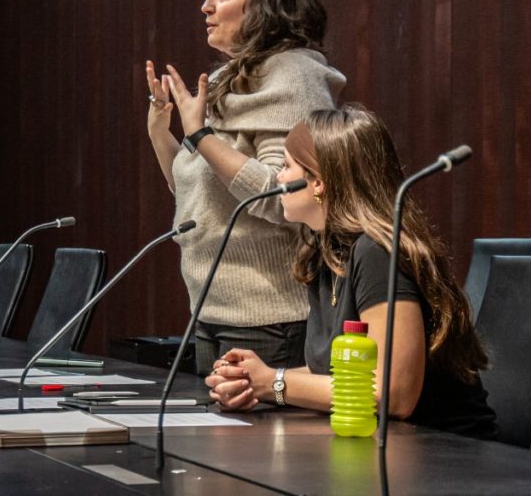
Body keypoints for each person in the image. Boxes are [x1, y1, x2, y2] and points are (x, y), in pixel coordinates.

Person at [206, 107, 498, 439]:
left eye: (286, 166)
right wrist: (253, 380)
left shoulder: (377, 252)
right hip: (384, 444)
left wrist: (275, 383)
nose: (278, 178)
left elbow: (394, 394)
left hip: (447, 453)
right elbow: (342, 375)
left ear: (318, 182)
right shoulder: (325, 251)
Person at [145, 0, 346, 374]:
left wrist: (199, 134)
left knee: (253, 444)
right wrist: (162, 135)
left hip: (270, 316)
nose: (206, 6)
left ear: (265, 5)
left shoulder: (294, 76)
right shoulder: (226, 79)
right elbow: (198, 195)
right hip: (210, 309)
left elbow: (285, 198)